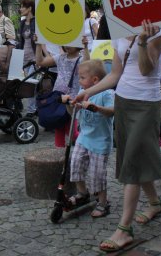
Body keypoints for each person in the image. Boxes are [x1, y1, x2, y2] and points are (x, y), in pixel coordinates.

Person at [75, 20, 161, 252]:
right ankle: (154, 203)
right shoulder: (120, 31)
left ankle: (124, 230)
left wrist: (143, 41)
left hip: (147, 102)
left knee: (133, 161)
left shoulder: (157, 31)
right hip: (124, 100)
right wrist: (87, 92)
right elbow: (115, 74)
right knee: (133, 157)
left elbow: (147, 69)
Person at [62, 59, 114, 219]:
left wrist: (96, 108)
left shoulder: (107, 93)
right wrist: (68, 104)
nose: (79, 81)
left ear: (95, 80)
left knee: (98, 174)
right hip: (84, 138)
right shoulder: (81, 93)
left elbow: (113, 111)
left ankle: (103, 203)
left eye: (82, 77)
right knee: (75, 163)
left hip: (100, 141)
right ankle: (82, 193)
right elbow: (74, 115)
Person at [35, 37, 90, 147]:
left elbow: (88, 64)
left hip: (72, 100)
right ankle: (59, 157)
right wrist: (38, 44)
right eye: (66, 42)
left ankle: (88, 145)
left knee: (72, 133)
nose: (67, 45)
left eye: (71, 43)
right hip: (58, 98)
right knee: (59, 129)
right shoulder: (60, 57)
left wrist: (86, 47)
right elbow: (40, 62)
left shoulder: (80, 59)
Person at [17, 0, 37, 113]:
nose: (20, 9)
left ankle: (31, 110)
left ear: (29, 8)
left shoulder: (36, 22)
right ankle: (35, 108)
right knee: (28, 84)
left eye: (23, 7)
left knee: (30, 83)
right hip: (24, 57)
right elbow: (21, 41)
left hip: (34, 58)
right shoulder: (23, 23)